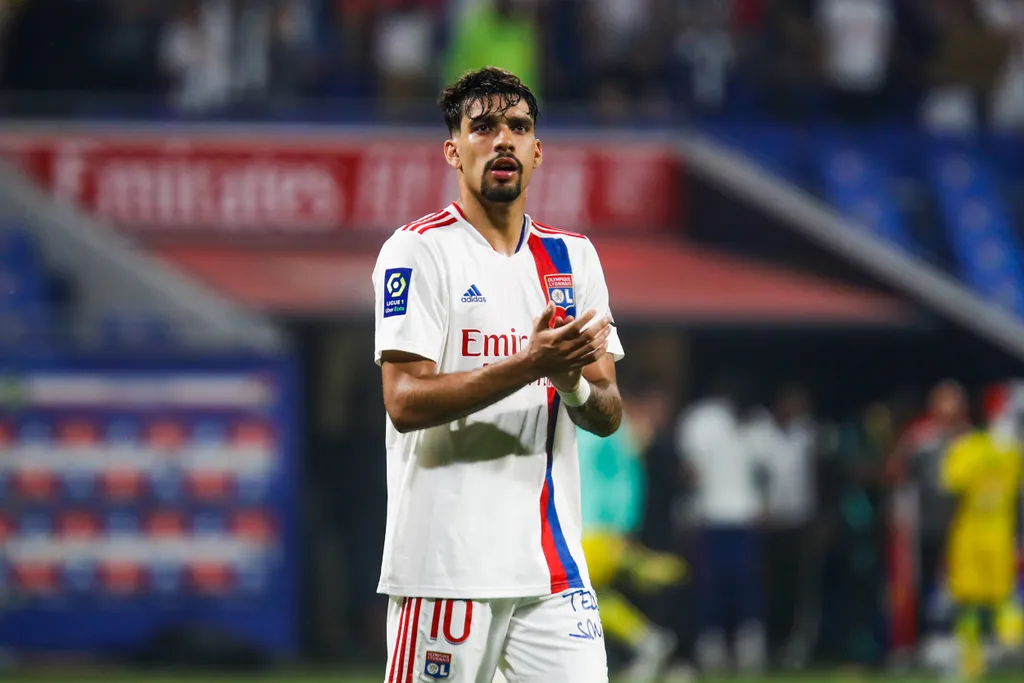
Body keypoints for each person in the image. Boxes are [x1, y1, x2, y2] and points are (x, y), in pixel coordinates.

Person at [372, 67, 624, 683]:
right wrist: (530, 364)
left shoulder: (573, 258)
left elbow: (608, 411)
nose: (503, 139)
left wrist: (569, 382)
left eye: (518, 126)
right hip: (446, 568)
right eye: (483, 127)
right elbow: (403, 401)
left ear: (537, 151)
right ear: (453, 151)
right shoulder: (418, 250)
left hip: (552, 569)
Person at [576, 381, 687, 683]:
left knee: (573, 595)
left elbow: (627, 483)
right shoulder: (596, 426)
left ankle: (647, 637)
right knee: (591, 597)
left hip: (595, 527)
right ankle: (649, 640)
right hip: (589, 525)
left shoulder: (610, 430)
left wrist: (623, 526)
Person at [677, 375, 767, 675]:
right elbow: (691, 471)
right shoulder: (703, 419)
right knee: (721, 587)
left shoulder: (753, 421)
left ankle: (738, 651)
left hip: (732, 517)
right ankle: (722, 651)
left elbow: (691, 472)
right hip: (717, 517)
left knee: (735, 587)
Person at [942, 383, 1024, 679]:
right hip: (985, 534)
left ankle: (995, 656)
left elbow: (949, 486)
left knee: (986, 601)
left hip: (983, 535)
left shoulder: (972, 448)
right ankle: (978, 660)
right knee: (985, 600)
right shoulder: (1004, 451)